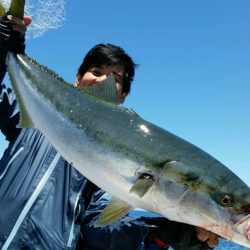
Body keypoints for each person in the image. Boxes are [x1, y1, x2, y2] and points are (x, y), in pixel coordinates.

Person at [0, 14, 219, 250]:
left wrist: (160, 234)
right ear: (77, 78)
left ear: (123, 95)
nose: (103, 80)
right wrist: (3, 51)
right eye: (96, 71)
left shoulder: (111, 172)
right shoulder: (33, 120)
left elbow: (97, 230)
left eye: (115, 78)